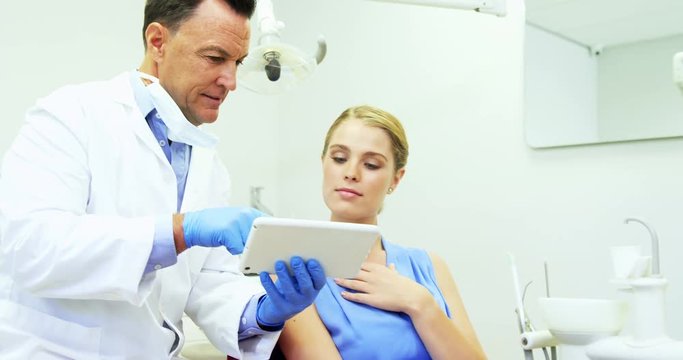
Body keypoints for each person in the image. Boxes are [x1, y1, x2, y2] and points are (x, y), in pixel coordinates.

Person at [0, 0, 326, 358]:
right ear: (158, 42)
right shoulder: (70, 115)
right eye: (215, 58)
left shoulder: (208, 163)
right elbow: (31, 248)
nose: (231, 81)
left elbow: (208, 283)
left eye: (238, 62)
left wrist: (265, 312)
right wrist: (178, 231)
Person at [276, 105, 487, 359]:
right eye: (339, 158)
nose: (351, 173)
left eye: (371, 164)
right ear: (324, 163)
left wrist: (420, 304)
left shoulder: (430, 266)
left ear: (395, 179)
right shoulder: (293, 278)